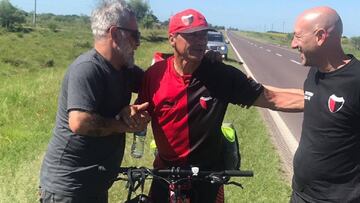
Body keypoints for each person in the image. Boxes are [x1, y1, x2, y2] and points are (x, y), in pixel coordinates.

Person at [137, 8, 304, 203]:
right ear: (172, 39)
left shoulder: (220, 75)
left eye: (203, 34)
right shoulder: (155, 75)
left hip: (207, 177)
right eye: (192, 35)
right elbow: (140, 116)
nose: (200, 41)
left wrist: (318, 100)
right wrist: (131, 118)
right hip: (165, 173)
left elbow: (272, 98)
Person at [39, 1, 150, 202]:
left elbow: (157, 81)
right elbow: (80, 122)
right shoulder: (88, 69)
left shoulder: (125, 70)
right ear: (115, 34)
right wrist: (123, 125)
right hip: (70, 188)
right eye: (135, 35)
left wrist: (205, 62)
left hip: (94, 184)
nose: (138, 43)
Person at [290, 6, 360, 203]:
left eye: (297, 37)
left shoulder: (356, 80)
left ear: (320, 36)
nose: (293, 44)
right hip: (302, 192)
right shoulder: (315, 73)